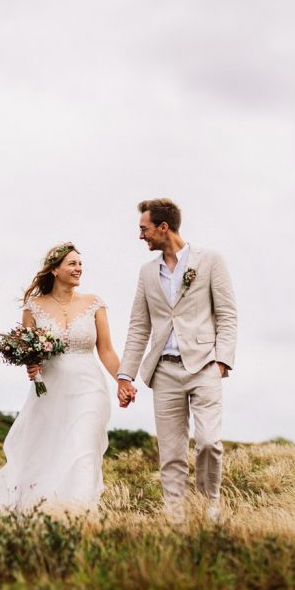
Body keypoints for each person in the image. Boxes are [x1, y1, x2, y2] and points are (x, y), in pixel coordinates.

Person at [117, 199, 238, 523]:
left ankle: (208, 505)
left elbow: (227, 313)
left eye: (144, 229)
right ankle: (177, 518)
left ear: (163, 227)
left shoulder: (211, 261)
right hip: (165, 370)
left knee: (210, 443)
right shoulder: (146, 273)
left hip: (204, 366)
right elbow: (139, 326)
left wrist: (222, 360)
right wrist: (125, 375)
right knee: (170, 454)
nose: (141, 235)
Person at [0, 242, 121, 513]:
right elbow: (28, 350)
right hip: (50, 390)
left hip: (90, 387)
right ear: (55, 270)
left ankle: (77, 510)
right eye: (72, 263)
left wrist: (124, 380)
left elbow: (107, 350)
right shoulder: (34, 307)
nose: (79, 268)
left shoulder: (95, 304)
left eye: (80, 263)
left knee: (82, 446)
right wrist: (30, 364)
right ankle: (44, 508)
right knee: (48, 451)